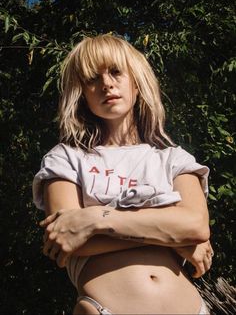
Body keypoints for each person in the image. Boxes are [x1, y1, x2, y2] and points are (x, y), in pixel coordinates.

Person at [33, 34, 214, 314]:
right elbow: (67, 240)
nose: (106, 83)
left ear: (136, 80)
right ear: (81, 92)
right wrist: (171, 237)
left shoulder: (172, 157)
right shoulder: (65, 157)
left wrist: (96, 218)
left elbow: (195, 226)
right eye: (92, 78)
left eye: (116, 72)